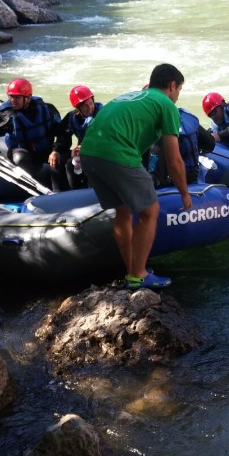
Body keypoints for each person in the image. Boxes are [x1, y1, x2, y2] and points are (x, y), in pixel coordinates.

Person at [80, 63, 192, 290]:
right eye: (179, 90)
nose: (177, 96)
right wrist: (185, 194)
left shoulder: (134, 96)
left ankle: (132, 269)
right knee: (150, 211)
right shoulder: (166, 105)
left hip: (88, 153)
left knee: (122, 212)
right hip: (116, 152)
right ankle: (138, 275)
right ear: (172, 86)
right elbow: (174, 161)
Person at [0, 78, 64, 191]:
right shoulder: (6, 115)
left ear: (28, 98)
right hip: (22, 153)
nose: (13, 101)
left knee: (61, 156)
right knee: (21, 157)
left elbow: (61, 131)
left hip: (45, 150)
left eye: (17, 97)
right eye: (11, 97)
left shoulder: (47, 109)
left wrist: (56, 150)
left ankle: (58, 191)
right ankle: (35, 187)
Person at [147, 106, 215, 188]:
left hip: (168, 185)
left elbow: (154, 176)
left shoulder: (155, 128)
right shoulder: (187, 118)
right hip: (192, 177)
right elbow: (210, 144)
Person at [55, 85, 103, 190]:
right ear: (78, 108)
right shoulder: (71, 117)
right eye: (85, 106)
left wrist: (87, 148)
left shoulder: (102, 114)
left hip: (102, 152)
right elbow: (63, 136)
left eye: (91, 103)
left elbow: (107, 138)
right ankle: (60, 193)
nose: (90, 107)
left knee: (71, 164)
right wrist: (56, 150)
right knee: (59, 160)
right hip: (83, 151)